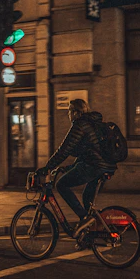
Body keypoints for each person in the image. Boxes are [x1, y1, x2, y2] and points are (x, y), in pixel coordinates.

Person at [36, 99, 117, 238]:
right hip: (105, 166)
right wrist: (67, 168)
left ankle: (85, 219)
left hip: (95, 166)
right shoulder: (92, 123)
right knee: (87, 198)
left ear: (75, 112)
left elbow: (64, 149)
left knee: (61, 184)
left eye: (69, 110)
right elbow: (87, 153)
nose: (68, 114)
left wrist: (48, 167)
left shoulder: (80, 125)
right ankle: (89, 234)